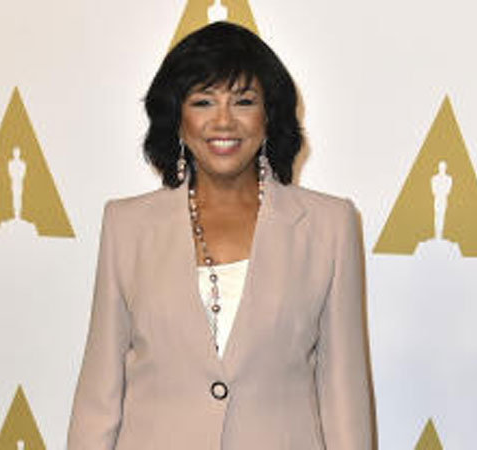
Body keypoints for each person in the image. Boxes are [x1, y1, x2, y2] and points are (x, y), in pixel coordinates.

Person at [67, 21, 376, 450]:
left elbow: (343, 396)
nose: (223, 121)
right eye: (203, 101)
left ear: (269, 116)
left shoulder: (329, 226)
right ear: (177, 117)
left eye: (244, 101)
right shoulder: (127, 226)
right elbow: (99, 393)